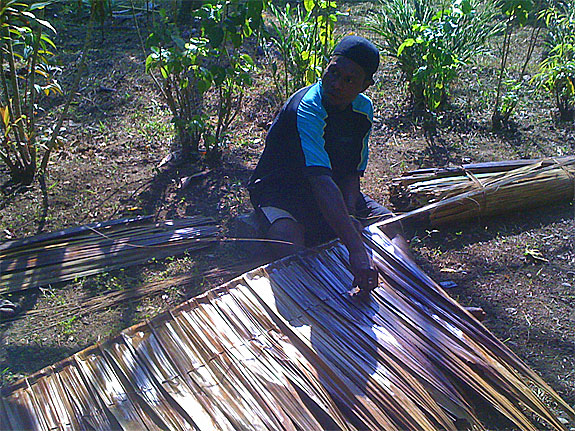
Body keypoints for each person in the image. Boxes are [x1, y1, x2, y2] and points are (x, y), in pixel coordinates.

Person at [248, 35, 408, 295]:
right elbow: (320, 181)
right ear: (326, 66)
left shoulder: (362, 110)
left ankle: (411, 290)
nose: (336, 84)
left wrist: (350, 213)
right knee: (288, 242)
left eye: (349, 80)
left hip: (328, 188)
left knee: (388, 225)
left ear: (366, 85)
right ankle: (318, 301)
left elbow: (351, 172)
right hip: (282, 191)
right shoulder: (308, 108)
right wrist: (355, 247)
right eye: (333, 73)